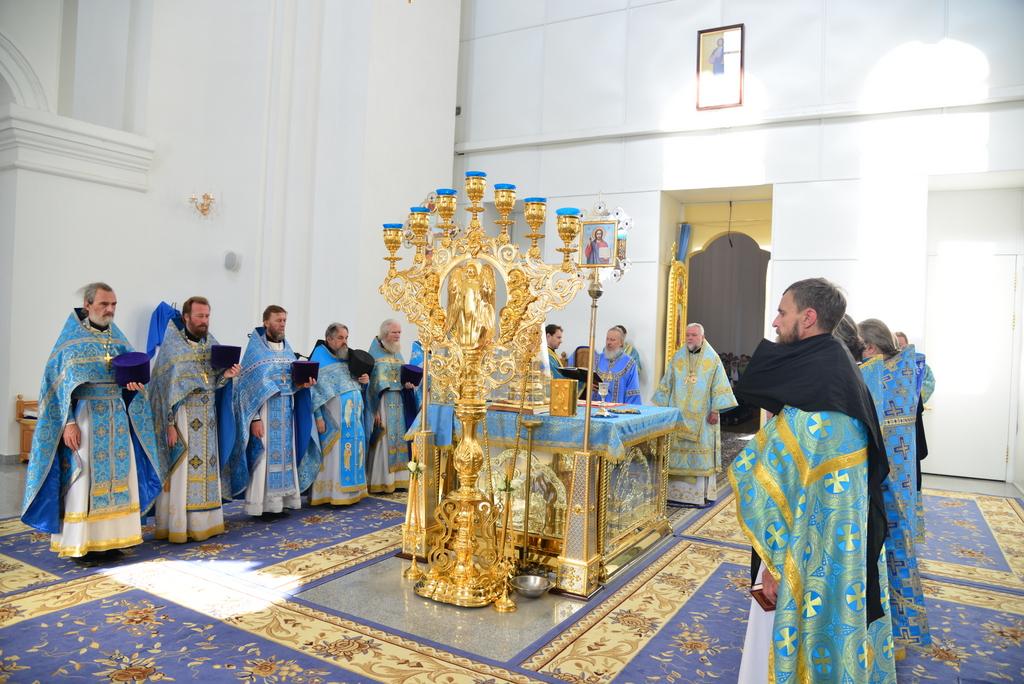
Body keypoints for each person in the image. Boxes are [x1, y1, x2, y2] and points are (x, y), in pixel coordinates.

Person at [731, 278, 894, 683]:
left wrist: (774, 566)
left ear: (807, 317)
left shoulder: (816, 403)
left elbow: (773, 481)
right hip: (839, 548)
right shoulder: (835, 371)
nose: (775, 322)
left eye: (781, 312)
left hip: (800, 554)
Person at [22, 282, 163, 560]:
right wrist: (68, 423)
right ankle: (82, 544)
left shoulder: (119, 339)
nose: (110, 309)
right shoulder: (70, 342)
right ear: (88, 305)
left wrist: (133, 388)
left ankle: (112, 540)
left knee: (119, 479)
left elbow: (129, 382)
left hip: (117, 419)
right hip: (86, 418)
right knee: (84, 480)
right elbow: (55, 389)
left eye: (113, 304)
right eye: (103, 304)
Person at [858, 317, 931, 658]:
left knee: (883, 555)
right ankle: (897, 635)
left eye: (860, 347)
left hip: (884, 480)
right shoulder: (905, 369)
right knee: (897, 555)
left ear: (871, 348)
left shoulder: (878, 376)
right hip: (901, 476)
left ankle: (886, 636)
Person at [149, 296, 240, 542]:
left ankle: (205, 523)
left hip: (208, 418)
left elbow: (215, 381)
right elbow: (163, 390)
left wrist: (228, 375)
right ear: (186, 317)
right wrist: (169, 424)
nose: (204, 321)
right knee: (182, 471)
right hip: (183, 417)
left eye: (207, 316)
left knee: (207, 466)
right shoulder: (172, 347)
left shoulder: (211, 344)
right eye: (200, 316)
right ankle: (179, 525)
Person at [226, 305, 318, 517]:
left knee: (286, 455)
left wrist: (302, 385)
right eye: (278, 320)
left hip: (286, 411)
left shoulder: (287, 350)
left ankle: (282, 501)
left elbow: (291, 382)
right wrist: (255, 419)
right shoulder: (255, 352)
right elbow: (245, 389)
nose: (282, 324)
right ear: (266, 322)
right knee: (265, 455)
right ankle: (263, 505)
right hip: (266, 413)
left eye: (284, 320)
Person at [651, 323, 736, 505]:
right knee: (674, 453)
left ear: (702, 337)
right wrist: (662, 408)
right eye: (688, 335)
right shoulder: (678, 357)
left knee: (700, 457)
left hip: (703, 418)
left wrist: (715, 410)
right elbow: (668, 382)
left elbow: (719, 385)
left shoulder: (712, 359)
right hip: (678, 416)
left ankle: (698, 496)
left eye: (694, 335)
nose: (690, 338)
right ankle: (674, 494)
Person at [307, 323, 370, 506]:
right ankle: (331, 494)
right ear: (329, 339)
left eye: (346, 337)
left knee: (354, 453)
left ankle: (353, 492)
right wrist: (318, 417)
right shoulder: (319, 358)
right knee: (335, 457)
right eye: (341, 338)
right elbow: (313, 392)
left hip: (353, 421)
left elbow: (355, 384)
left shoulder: (347, 359)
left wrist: (364, 381)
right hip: (332, 421)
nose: (345, 342)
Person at [367, 319, 417, 493]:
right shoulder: (374, 355)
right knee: (384, 437)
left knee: (399, 438)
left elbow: (403, 377)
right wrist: (374, 410)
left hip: (399, 401)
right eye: (394, 332)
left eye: (399, 332)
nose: (398, 336)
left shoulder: (398, 354)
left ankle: (399, 481)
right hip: (382, 402)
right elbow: (371, 386)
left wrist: (408, 384)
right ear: (385, 333)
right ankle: (382, 481)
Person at [593, 326, 641, 404]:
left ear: (621, 343)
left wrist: (631, 409)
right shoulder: (597, 359)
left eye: (612, 340)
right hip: (595, 409)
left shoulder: (630, 363)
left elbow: (632, 391)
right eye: (607, 339)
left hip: (618, 409)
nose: (608, 342)